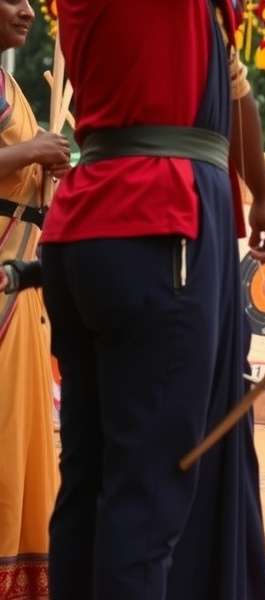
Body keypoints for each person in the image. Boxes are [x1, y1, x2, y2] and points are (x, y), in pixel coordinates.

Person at [40, 2, 265, 599]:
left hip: (91, 228)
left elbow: (232, 88)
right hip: (155, 224)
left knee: (91, 483)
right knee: (143, 499)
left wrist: (262, 193)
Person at [0, 1, 68, 596]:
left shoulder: (11, 87)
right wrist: (31, 153)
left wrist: (49, 167)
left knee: (19, 443)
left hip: (19, 290)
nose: (28, 11)